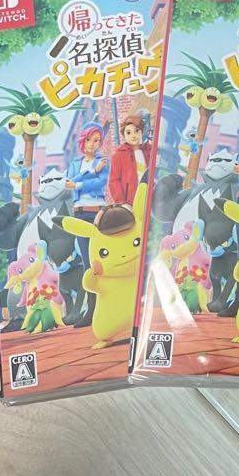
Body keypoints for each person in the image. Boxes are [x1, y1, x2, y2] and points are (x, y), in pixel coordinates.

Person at [64, 121, 109, 326]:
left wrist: (79, 183)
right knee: (87, 263)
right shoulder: (76, 163)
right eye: (89, 140)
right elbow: (68, 182)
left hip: (98, 212)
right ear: (83, 141)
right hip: (80, 213)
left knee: (102, 260)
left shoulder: (103, 161)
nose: (92, 144)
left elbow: (100, 183)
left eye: (97, 140)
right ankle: (91, 309)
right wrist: (91, 171)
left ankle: (106, 305)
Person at [107, 113, 149, 205]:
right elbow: (114, 181)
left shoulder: (150, 151)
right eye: (128, 132)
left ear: (141, 131)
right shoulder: (119, 156)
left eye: (136, 131)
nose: (133, 135)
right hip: (131, 202)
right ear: (124, 135)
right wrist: (122, 203)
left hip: (150, 198)